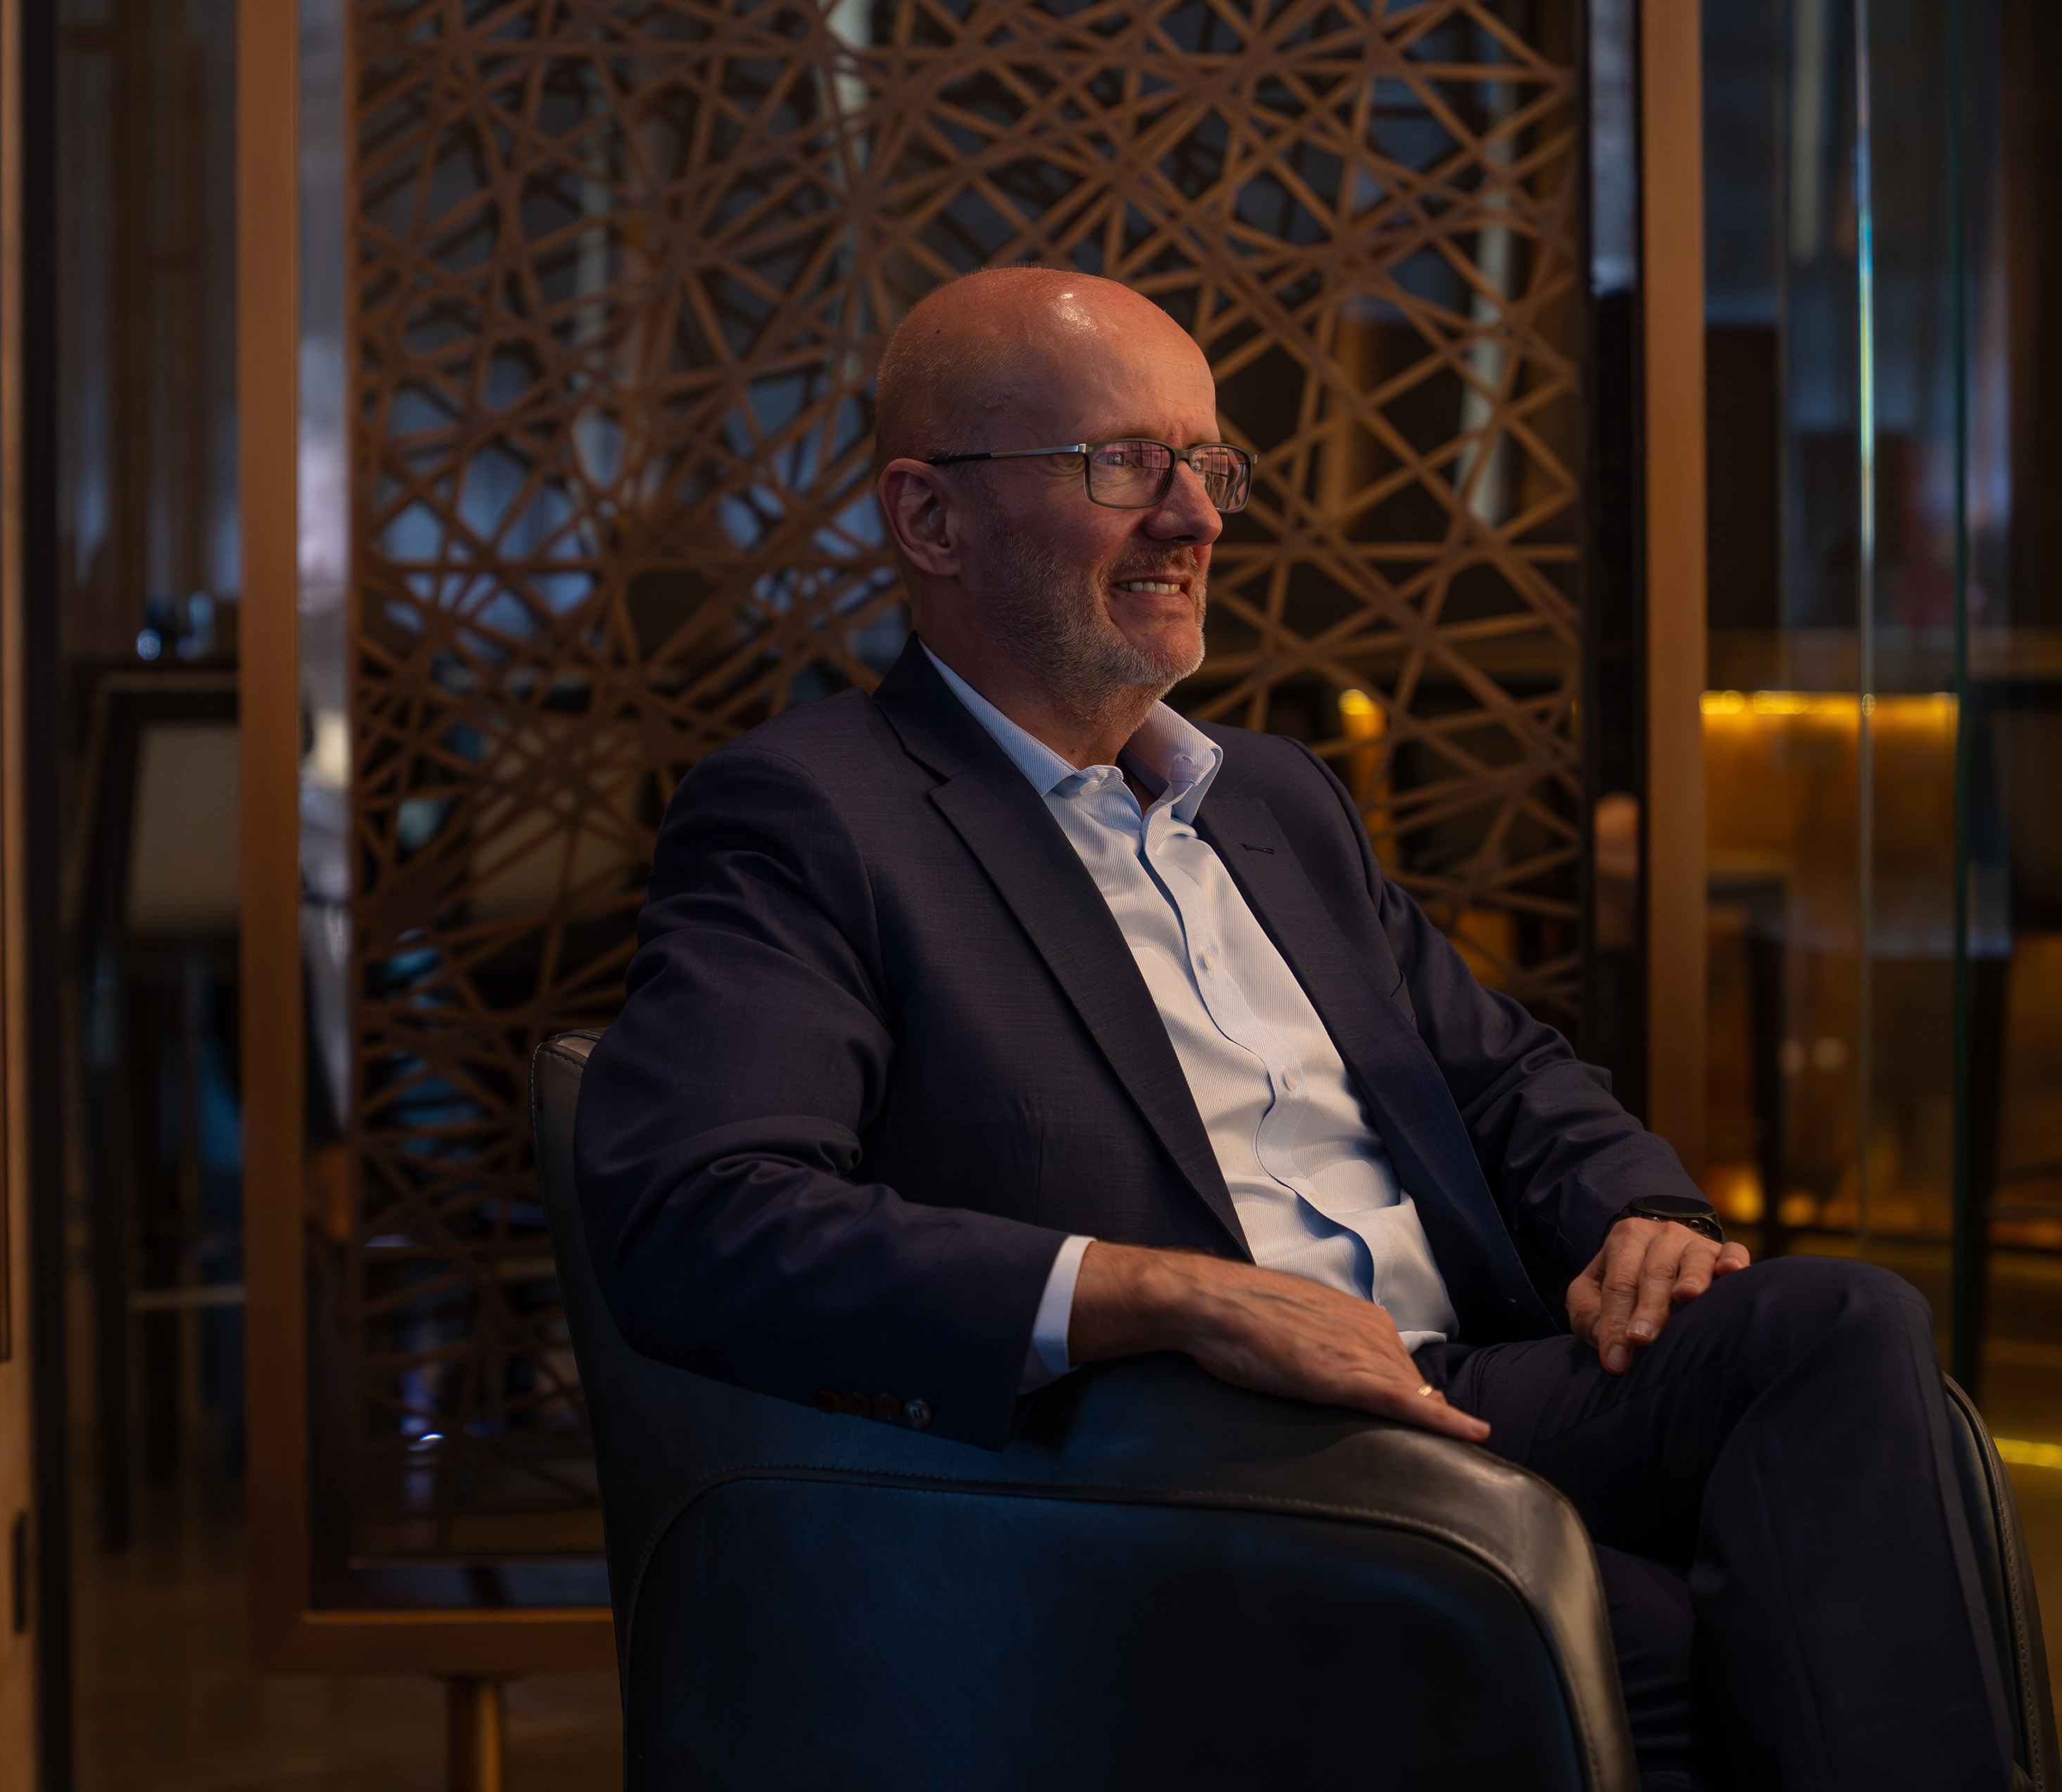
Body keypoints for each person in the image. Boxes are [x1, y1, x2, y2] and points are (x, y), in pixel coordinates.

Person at [575, 267, 2017, 1790]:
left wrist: (1642, 1212)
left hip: (1461, 1389)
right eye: (1123, 465)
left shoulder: (1274, 798)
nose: (1195, 517)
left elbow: (1501, 1072)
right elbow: (697, 1217)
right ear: (931, 517)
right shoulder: (814, 814)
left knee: (1842, 1323)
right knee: (1689, 1639)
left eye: (1209, 464)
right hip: (1181, 1451)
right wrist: (1167, 1293)